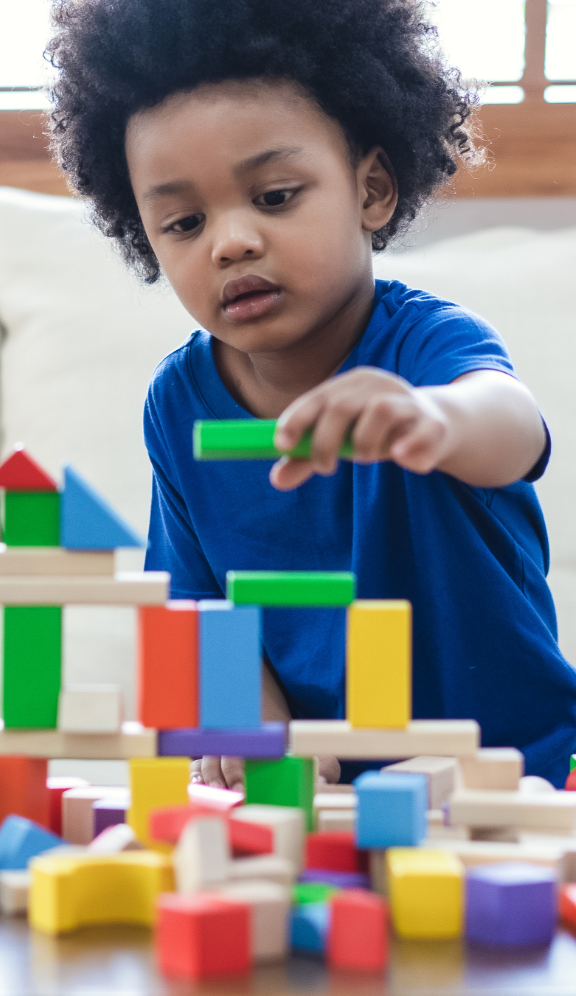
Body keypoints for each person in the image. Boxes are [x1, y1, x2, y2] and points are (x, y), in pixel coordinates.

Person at [47, 0, 576, 789]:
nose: (231, 241)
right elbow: (199, 603)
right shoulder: (179, 401)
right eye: (185, 222)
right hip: (324, 797)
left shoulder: (425, 346)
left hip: (512, 770)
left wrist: (430, 418)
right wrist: (254, 721)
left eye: (274, 196)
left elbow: (512, 430)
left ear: (372, 190)